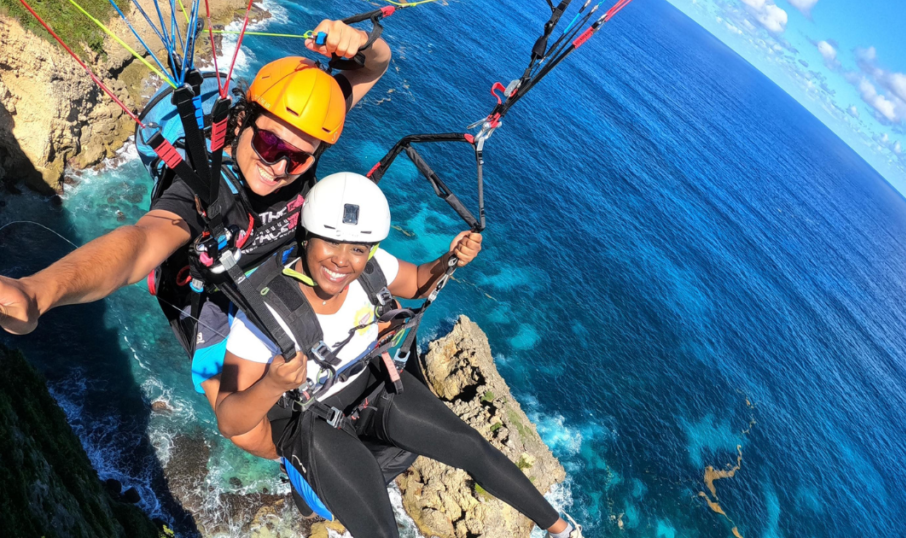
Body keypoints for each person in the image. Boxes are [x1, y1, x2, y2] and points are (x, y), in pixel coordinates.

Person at [0, 20, 390, 455]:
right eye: (269, 145)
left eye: (298, 160)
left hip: (275, 284)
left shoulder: (302, 134)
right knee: (242, 429)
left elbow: (373, 67)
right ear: (242, 120)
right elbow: (139, 245)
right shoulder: (202, 189)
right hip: (209, 302)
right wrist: (40, 290)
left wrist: (364, 43)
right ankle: (302, 457)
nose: (279, 166)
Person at [213, 172, 583, 538]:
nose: (342, 260)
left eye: (358, 248)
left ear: (370, 249)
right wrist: (272, 384)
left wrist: (449, 259)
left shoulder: (369, 270)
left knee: (470, 447)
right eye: (330, 242)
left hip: (368, 389)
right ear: (306, 237)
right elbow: (230, 422)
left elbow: (420, 280)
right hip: (311, 421)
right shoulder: (265, 314)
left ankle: (563, 531)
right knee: (380, 530)